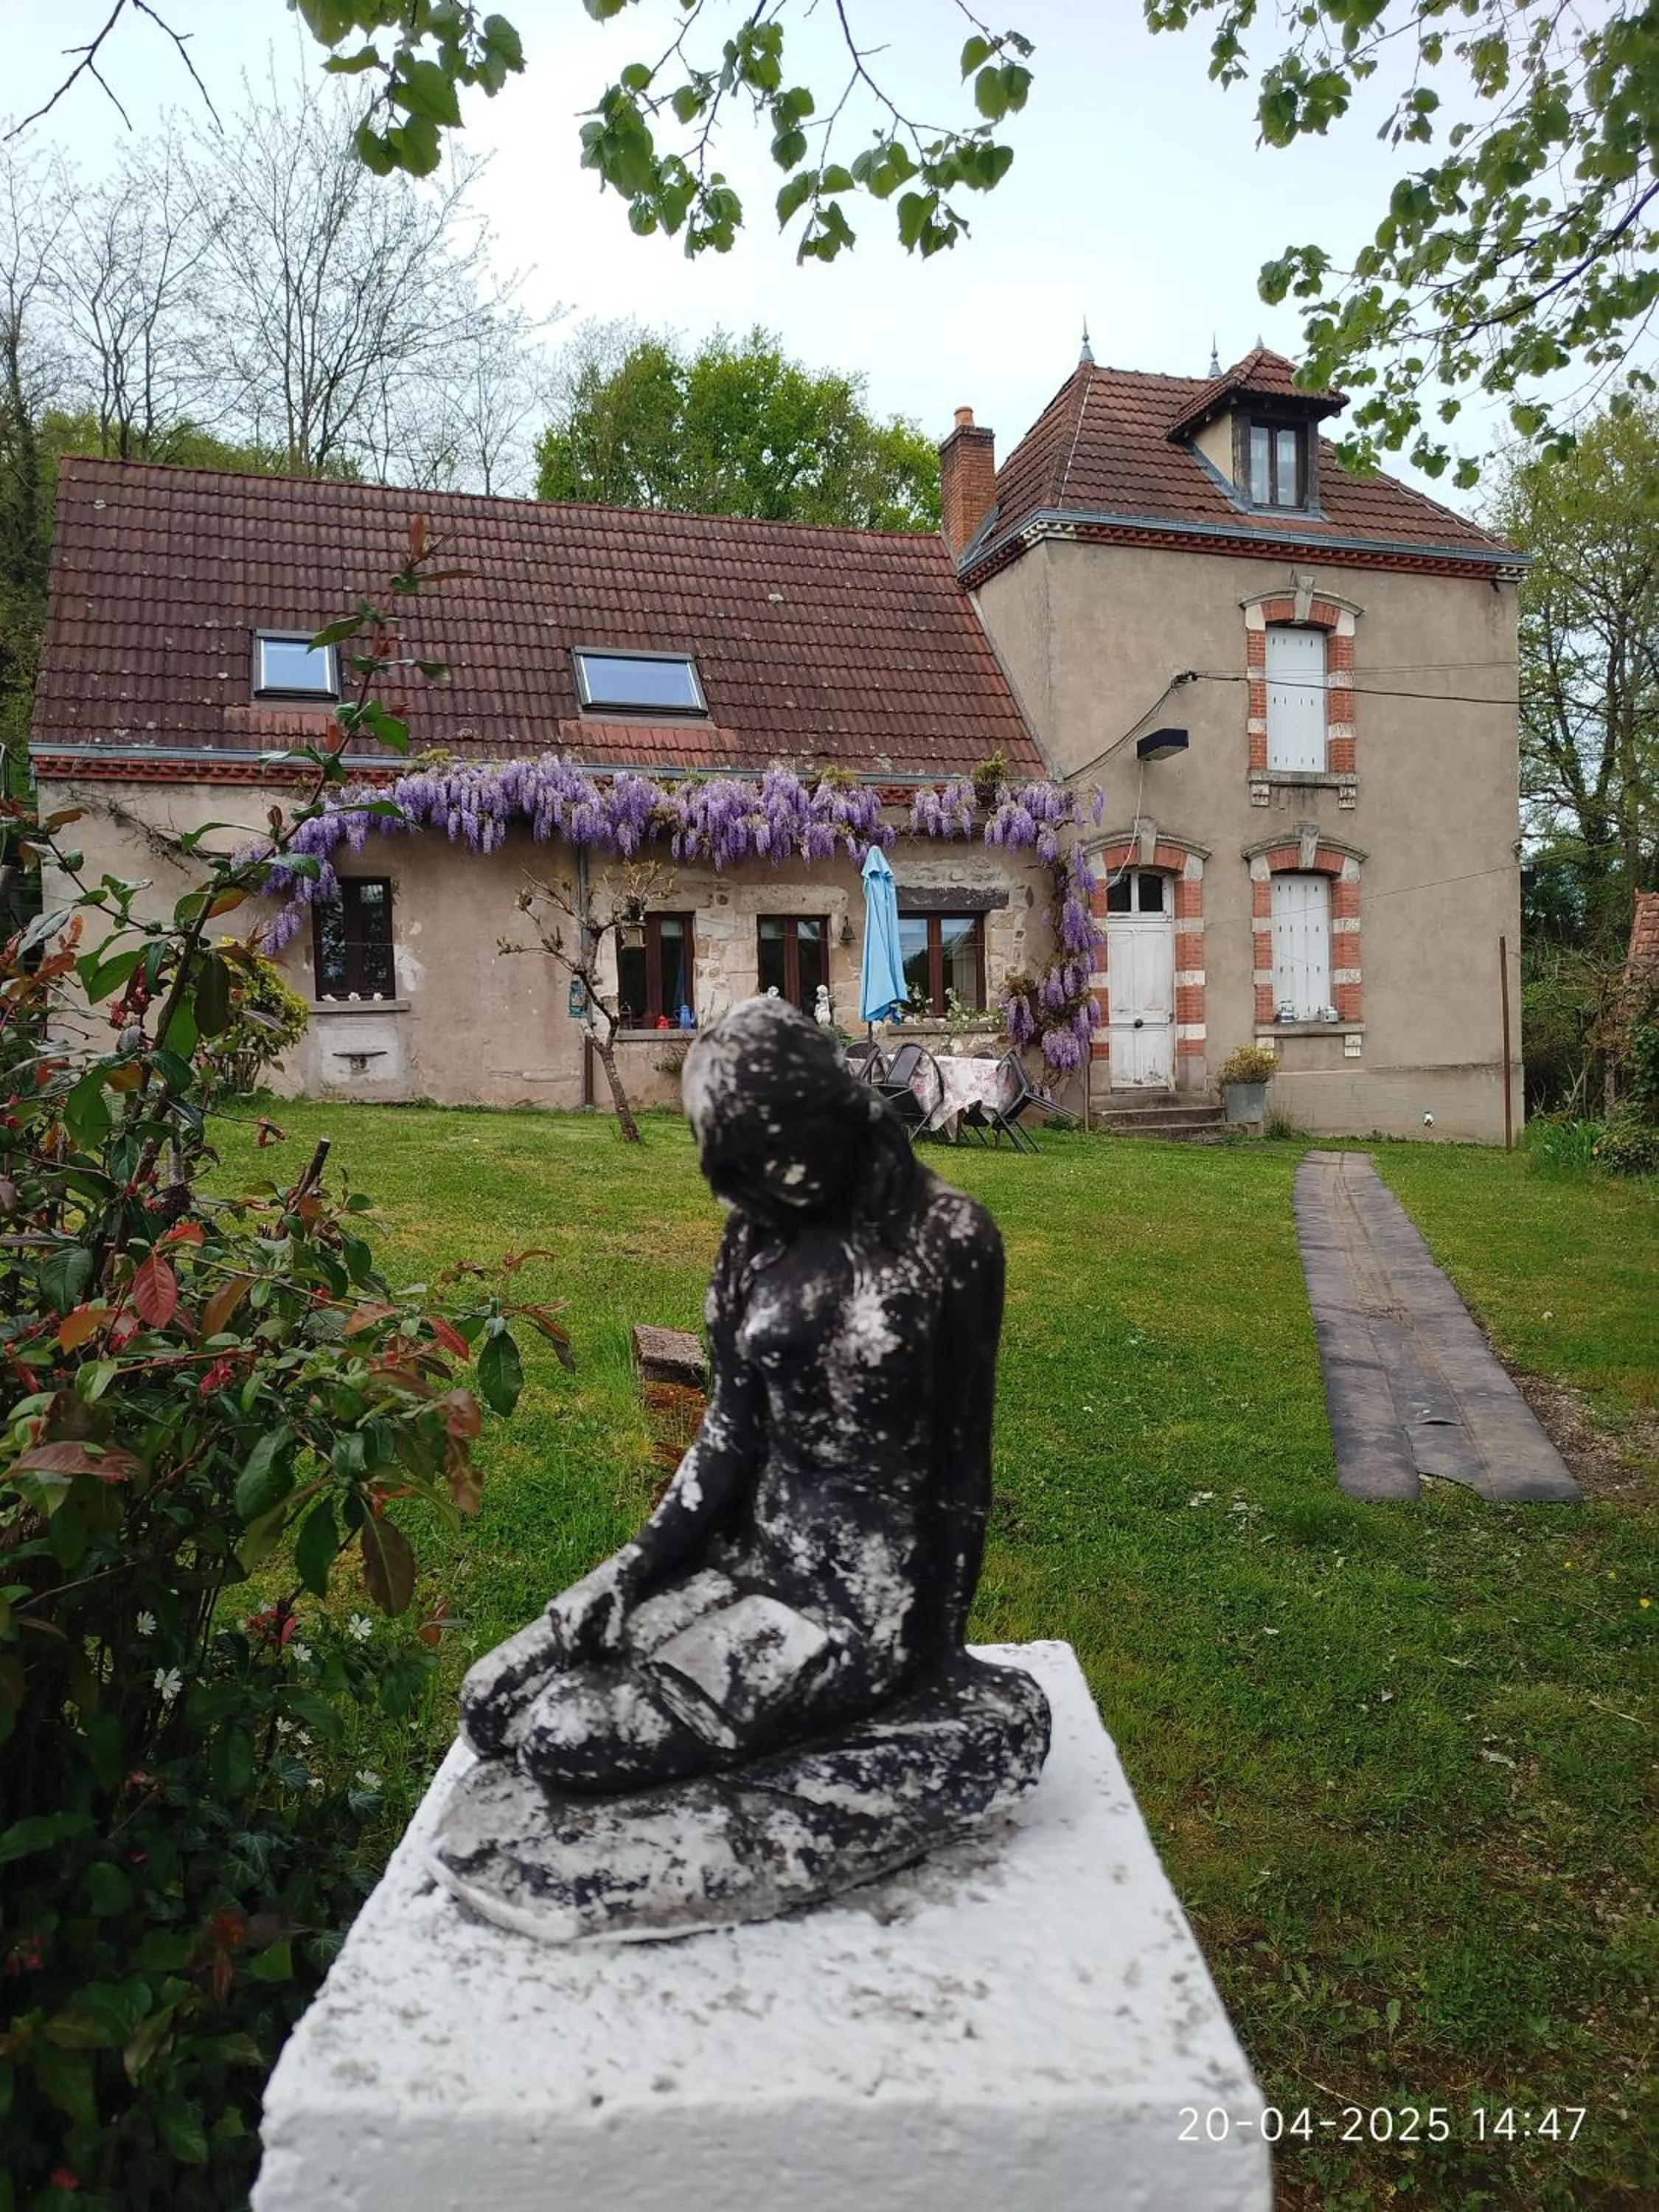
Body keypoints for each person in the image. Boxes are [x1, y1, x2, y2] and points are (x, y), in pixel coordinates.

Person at [459, 995, 1007, 1796]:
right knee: (492, 1700)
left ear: (829, 1107)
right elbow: (729, 1433)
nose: (761, 1179)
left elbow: (964, 1463)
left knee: (562, 1737)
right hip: (746, 1552)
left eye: (775, 1149)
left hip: (861, 1598)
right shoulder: (756, 1235)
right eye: (740, 1158)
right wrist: (629, 1572)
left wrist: (933, 1651)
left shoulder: (951, 1236)